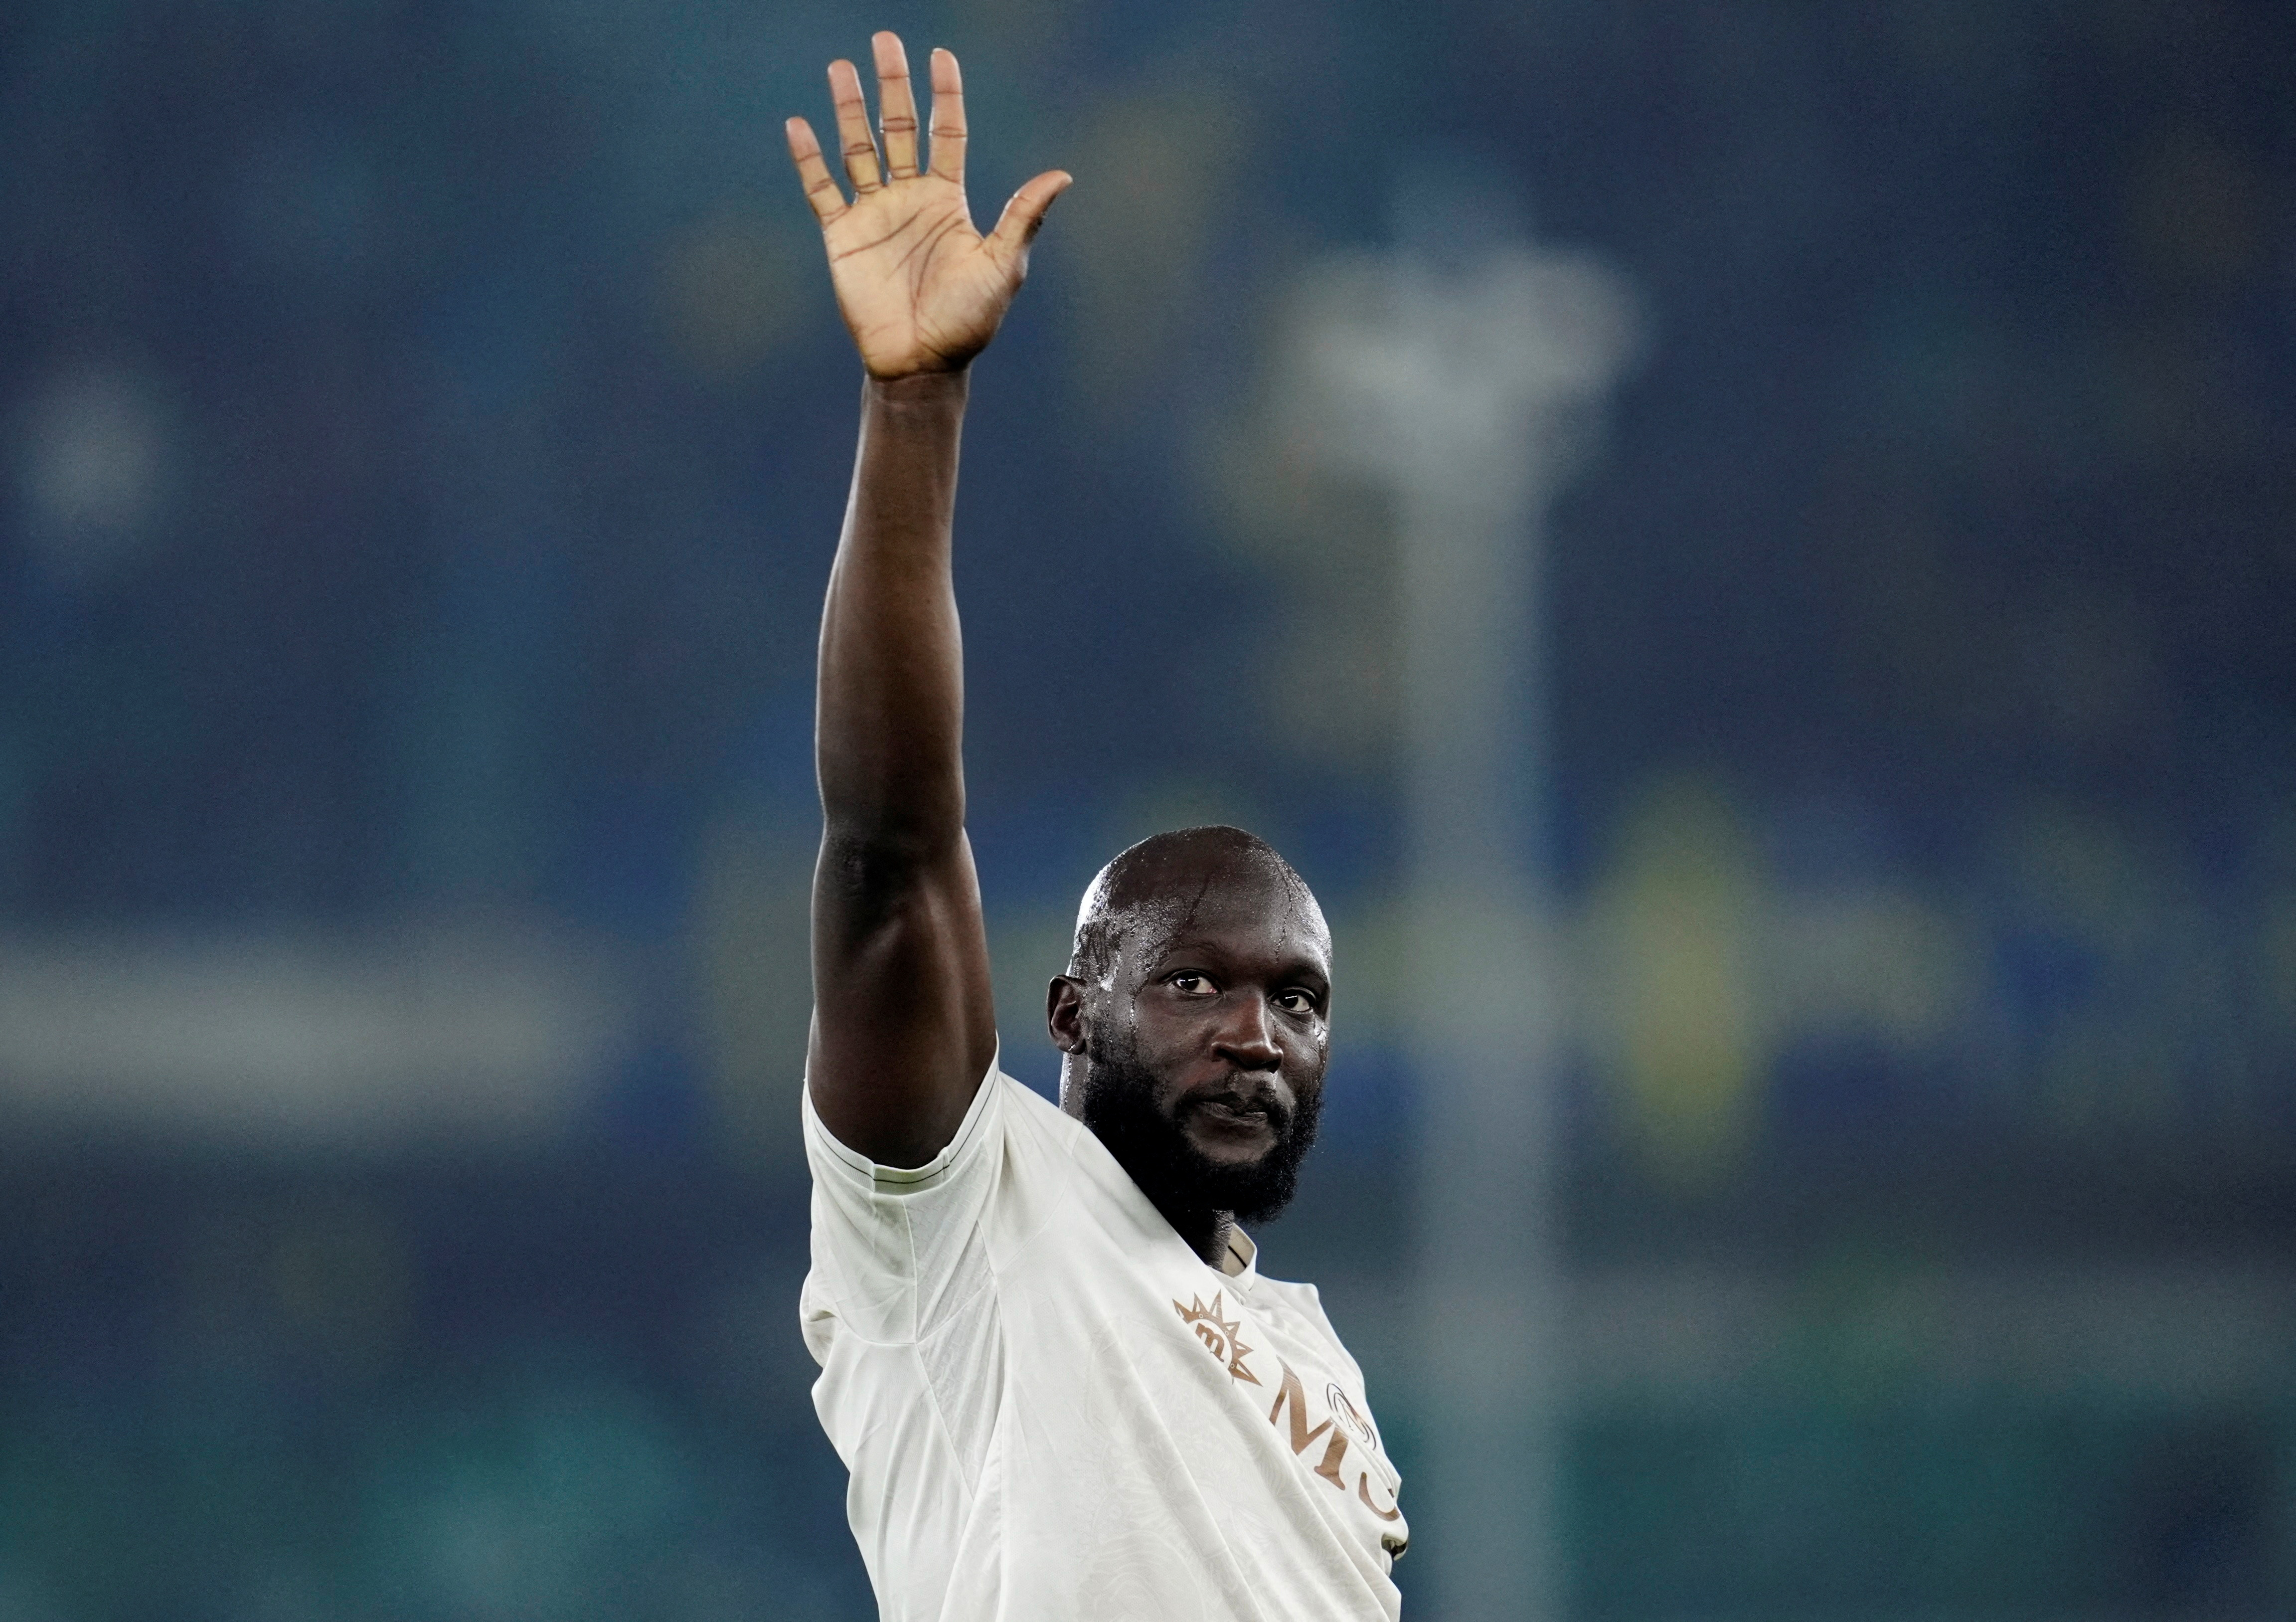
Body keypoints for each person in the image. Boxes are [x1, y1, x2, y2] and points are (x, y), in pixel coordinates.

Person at [787, 33, 1408, 1621]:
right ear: (1071, 1013)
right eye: (1195, 983)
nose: (1255, 1033)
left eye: (1297, 999)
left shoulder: (1325, 1375)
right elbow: (890, 850)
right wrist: (914, 403)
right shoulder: (962, 1221)